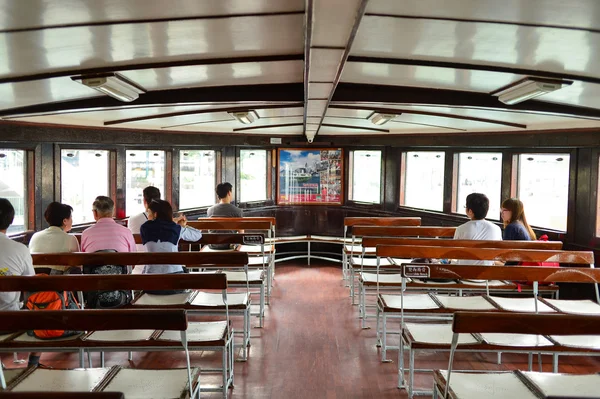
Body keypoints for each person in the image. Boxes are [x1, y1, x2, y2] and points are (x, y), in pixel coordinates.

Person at [0, 198, 39, 367]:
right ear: (11, 220)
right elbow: (31, 285)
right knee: (43, 312)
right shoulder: (20, 249)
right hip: (10, 320)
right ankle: (33, 364)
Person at [140, 199, 202, 293]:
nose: (148, 216)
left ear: (155, 214)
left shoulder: (144, 228)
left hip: (150, 283)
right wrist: (182, 226)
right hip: (174, 281)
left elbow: (158, 227)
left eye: (149, 213)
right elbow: (197, 235)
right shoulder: (176, 228)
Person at [29, 202, 80, 274]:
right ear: (65, 221)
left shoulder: (35, 236)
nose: (72, 220)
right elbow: (78, 265)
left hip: (35, 279)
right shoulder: (70, 239)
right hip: (58, 281)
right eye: (71, 217)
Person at [454, 193, 502, 265]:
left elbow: (455, 252)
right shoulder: (496, 229)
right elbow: (498, 251)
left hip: (464, 271)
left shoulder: (461, 229)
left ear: (470, 211)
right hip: (487, 272)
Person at [206, 182, 242, 249]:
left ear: (218, 195)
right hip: (229, 246)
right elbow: (241, 233)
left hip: (213, 245)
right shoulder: (237, 211)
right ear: (229, 193)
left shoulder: (210, 210)